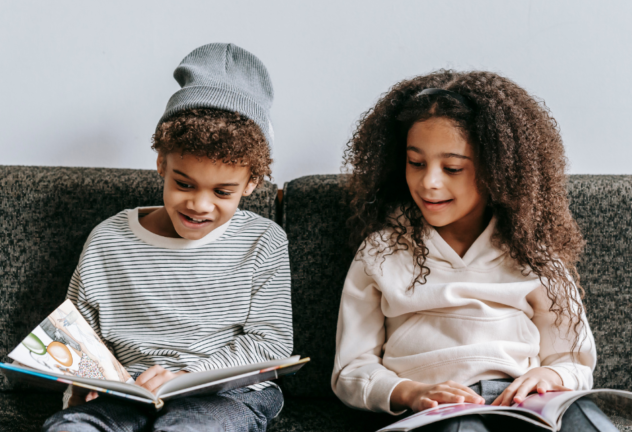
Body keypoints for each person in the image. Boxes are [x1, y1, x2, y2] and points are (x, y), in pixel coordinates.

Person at [332, 70, 618, 431]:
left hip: (528, 402)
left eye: (452, 168)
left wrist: (550, 375)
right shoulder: (381, 252)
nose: (428, 182)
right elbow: (351, 369)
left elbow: (574, 360)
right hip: (439, 409)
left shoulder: (533, 253)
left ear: (498, 172)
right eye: (416, 163)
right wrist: (409, 392)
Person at [43, 43, 292, 432]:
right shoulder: (109, 240)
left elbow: (270, 343)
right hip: (130, 390)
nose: (199, 205)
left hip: (224, 394)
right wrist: (83, 381)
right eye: (183, 183)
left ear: (252, 183)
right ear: (161, 162)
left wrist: (186, 376)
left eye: (222, 192)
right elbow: (80, 332)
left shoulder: (264, 241)